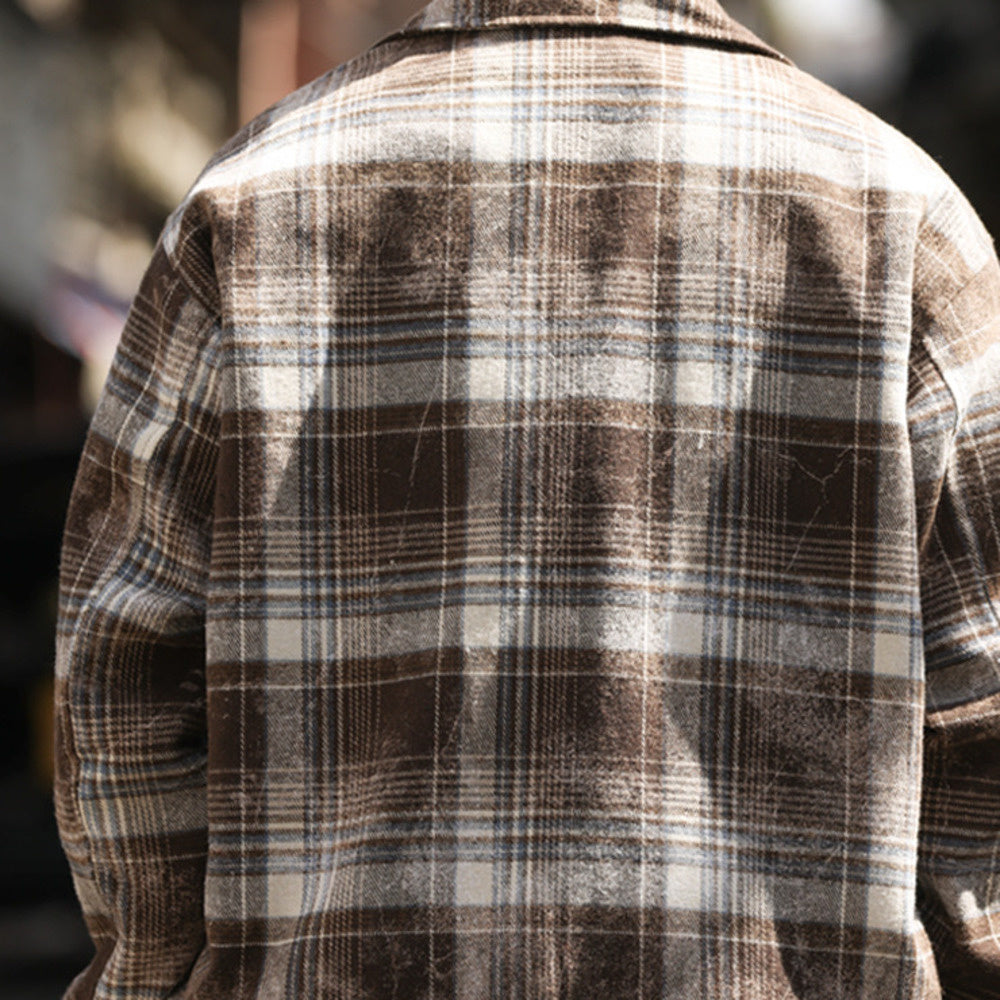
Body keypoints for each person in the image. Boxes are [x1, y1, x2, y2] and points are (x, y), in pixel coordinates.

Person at [53, 0, 1000, 996]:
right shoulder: (904, 221)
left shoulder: (249, 208)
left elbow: (122, 671)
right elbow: (982, 707)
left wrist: (156, 971)